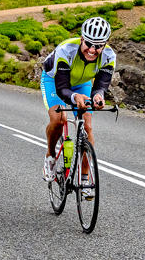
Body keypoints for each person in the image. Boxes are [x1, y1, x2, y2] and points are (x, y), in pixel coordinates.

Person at [40, 16, 116, 191]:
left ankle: (85, 176)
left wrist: (98, 96)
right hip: (54, 80)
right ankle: (50, 157)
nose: (92, 50)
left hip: (82, 83)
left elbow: (101, 85)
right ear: (82, 39)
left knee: (87, 127)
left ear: (105, 44)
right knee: (59, 119)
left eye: (98, 46)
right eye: (88, 43)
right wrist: (75, 98)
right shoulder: (66, 50)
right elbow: (62, 88)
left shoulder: (109, 56)